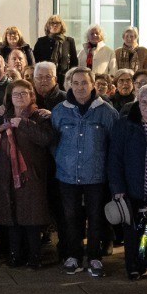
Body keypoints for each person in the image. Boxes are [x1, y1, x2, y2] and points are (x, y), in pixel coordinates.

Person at [51, 66, 118, 277]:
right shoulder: (60, 110)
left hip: (96, 175)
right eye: (76, 82)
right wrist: (64, 159)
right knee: (71, 217)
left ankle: (95, 257)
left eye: (84, 82)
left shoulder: (106, 111)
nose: (80, 87)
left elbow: (114, 143)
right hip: (67, 175)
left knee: (96, 217)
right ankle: (74, 256)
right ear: (69, 84)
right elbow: (53, 142)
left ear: (93, 84)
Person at [0, 80, 57, 268]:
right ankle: (15, 256)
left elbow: (46, 139)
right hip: (7, 175)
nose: (19, 97)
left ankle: (35, 257)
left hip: (31, 175)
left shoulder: (39, 116)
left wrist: (24, 124)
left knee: (31, 219)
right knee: (12, 217)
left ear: (31, 96)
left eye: (23, 94)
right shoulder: (4, 117)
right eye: (15, 94)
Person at [109, 84, 147, 281]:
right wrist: (118, 188)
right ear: (137, 102)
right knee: (132, 229)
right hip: (132, 186)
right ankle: (134, 266)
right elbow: (115, 158)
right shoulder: (125, 124)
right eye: (143, 102)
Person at [33, 15, 78, 84]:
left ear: (61, 25)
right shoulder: (41, 41)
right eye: (52, 23)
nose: (54, 25)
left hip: (64, 79)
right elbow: (35, 61)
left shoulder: (69, 41)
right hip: (46, 78)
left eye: (57, 23)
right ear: (48, 26)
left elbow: (74, 61)